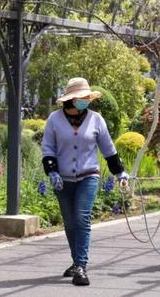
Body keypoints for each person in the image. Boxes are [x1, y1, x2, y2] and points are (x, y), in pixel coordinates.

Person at [41, 77, 129, 286]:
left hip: (88, 176)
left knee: (82, 219)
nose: (86, 100)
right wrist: (52, 172)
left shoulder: (96, 119)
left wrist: (120, 173)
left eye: (88, 97)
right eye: (82, 97)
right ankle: (75, 262)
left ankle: (81, 266)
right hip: (62, 179)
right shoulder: (54, 119)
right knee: (70, 223)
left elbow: (109, 150)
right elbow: (48, 149)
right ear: (71, 100)